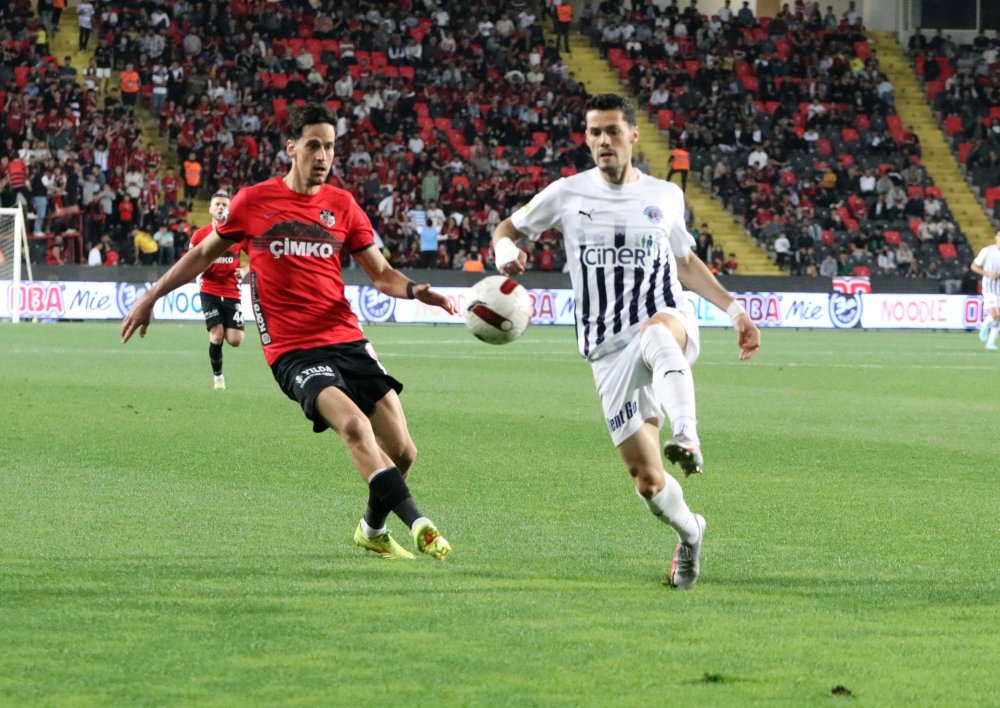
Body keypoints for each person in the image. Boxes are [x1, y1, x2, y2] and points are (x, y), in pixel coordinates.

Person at [122, 103, 455, 561]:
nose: (323, 156)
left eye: (331, 147)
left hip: (346, 338)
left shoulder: (343, 205)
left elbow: (381, 274)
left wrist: (417, 291)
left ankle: (371, 529)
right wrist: (151, 295)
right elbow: (202, 255)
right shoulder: (254, 201)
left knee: (403, 452)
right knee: (355, 428)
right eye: (314, 145)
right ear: (291, 148)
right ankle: (420, 523)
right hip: (293, 350)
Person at [490, 94, 760, 590]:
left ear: (634, 135)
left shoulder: (664, 196)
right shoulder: (567, 193)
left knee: (659, 331)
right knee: (648, 483)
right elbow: (505, 229)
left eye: (612, 131)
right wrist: (507, 252)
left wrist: (735, 310)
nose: (602, 141)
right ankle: (691, 533)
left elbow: (683, 261)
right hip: (606, 351)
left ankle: (687, 433)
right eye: (594, 132)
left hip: (663, 318)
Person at [188, 191, 246, 389]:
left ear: (229, 209)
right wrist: (199, 268)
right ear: (211, 209)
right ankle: (218, 377)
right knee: (217, 334)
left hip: (232, 290)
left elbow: (257, 256)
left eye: (224, 204)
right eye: (217, 204)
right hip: (209, 288)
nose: (221, 207)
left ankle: (219, 334)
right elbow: (190, 261)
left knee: (235, 340)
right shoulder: (200, 235)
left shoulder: (238, 233)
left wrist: (245, 269)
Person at [971, 229, 1000, 350]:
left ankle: (990, 342)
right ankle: (985, 325)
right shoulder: (987, 251)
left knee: (998, 317)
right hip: (988, 288)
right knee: (996, 315)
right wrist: (987, 274)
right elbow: (973, 266)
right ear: (996, 237)